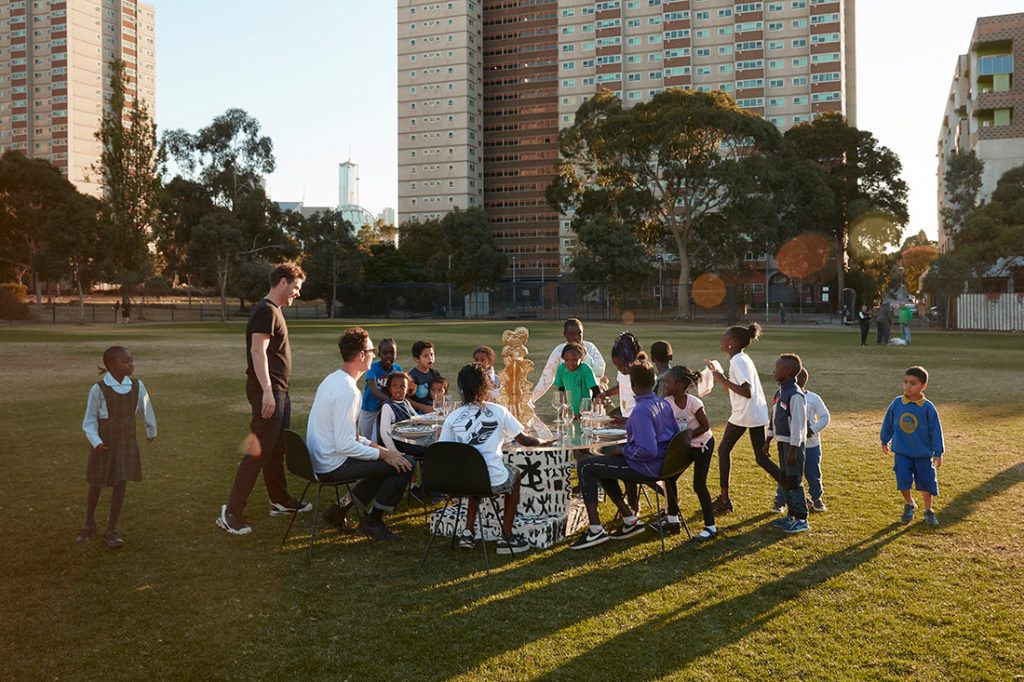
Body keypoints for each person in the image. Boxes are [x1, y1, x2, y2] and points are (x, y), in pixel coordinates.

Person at [217, 262, 310, 536]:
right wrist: (268, 391)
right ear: (282, 282)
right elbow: (257, 352)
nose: (297, 293)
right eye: (296, 287)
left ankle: (279, 500)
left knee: (277, 448)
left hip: (279, 391)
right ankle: (231, 512)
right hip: (268, 393)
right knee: (258, 451)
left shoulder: (275, 311)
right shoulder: (266, 311)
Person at [308, 328, 415, 542]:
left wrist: (382, 451)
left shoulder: (333, 380)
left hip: (321, 458)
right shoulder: (348, 391)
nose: (374, 355)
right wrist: (386, 456)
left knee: (387, 464)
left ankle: (338, 510)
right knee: (405, 464)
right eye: (372, 350)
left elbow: (352, 437)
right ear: (361, 355)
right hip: (331, 463)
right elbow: (346, 444)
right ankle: (372, 521)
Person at [571, 353, 682, 550]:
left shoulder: (641, 410)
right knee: (599, 462)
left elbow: (647, 449)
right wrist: (628, 426)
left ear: (632, 385)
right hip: (665, 464)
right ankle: (629, 519)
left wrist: (624, 451)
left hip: (647, 466)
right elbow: (670, 434)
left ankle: (595, 530)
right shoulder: (661, 403)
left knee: (585, 465)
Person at [440, 363, 551, 554]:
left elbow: (444, 450)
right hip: (490, 480)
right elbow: (524, 440)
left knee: (474, 471)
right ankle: (506, 537)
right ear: (486, 386)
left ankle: (468, 531)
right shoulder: (499, 411)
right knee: (514, 475)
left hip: (461, 482)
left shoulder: (453, 417)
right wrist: (543, 441)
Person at [78, 346, 157, 548]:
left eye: (131, 360)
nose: (131, 364)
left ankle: (111, 530)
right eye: (126, 361)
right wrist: (96, 442)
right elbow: (89, 421)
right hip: (103, 445)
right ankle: (89, 523)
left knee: (121, 483)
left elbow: (146, 408)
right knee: (96, 483)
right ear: (112, 365)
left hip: (126, 444)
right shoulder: (99, 389)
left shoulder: (138, 386)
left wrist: (151, 430)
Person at [704, 323, 777, 514]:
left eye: (724, 337)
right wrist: (717, 374)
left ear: (732, 343)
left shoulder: (738, 361)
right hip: (753, 413)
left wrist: (721, 379)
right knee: (761, 459)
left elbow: (747, 391)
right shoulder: (741, 358)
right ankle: (797, 490)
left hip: (745, 414)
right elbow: (740, 388)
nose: (721, 340)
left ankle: (725, 500)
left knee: (723, 450)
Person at [880, 366, 944, 526]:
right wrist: (884, 439)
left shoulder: (928, 407)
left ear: (923, 386)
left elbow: (936, 431)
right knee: (902, 479)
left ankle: (928, 510)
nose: (907, 386)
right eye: (905, 382)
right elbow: (888, 422)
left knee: (927, 482)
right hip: (902, 452)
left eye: (913, 383)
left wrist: (938, 452)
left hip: (923, 454)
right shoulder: (897, 403)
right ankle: (909, 503)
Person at [662, 366, 717, 540]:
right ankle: (672, 519)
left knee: (699, 485)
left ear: (679, 385)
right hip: (685, 445)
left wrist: (687, 436)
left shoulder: (694, 403)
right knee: (669, 478)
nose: (664, 384)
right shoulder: (668, 401)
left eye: (668, 381)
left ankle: (711, 527)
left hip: (702, 444)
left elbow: (705, 426)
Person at [772, 367, 830, 513]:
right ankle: (780, 500)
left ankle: (817, 499)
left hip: (811, 445)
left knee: (813, 473)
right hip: (791, 444)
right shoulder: (783, 395)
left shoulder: (813, 398)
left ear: (801, 380)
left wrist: (813, 429)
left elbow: (825, 416)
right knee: (787, 474)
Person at [763, 354, 810, 533]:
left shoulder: (796, 395)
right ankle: (791, 515)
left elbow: (798, 425)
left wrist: (793, 450)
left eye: (777, 368)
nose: (774, 370)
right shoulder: (780, 392)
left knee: (794, 480)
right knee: (785, 480)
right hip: (782, 443)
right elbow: (774, 418)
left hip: (793, 446)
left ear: (788, 371)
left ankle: (801, 518)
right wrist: (768, 439)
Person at [531, 318, 607, 403]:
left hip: (593, 399)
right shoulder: (559, 352)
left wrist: (584, 354)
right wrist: (531, 400)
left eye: (579, 334)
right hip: (571, 401)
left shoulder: (590, 348)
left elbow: (600, 372)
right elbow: (546, 378)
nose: (577, 338)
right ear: (565, 335)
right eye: (572, 334)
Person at [358, 337, 400, 444]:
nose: (389, 356)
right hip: (369, 409)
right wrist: (390, 401)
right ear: (379, 354)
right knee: (366, 441)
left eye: (392, 352)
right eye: (385, 353)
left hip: (385, 410)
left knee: (382, 439)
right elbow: (373, 389)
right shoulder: (373, 367)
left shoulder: (397, 369)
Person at [597, 331, 642, 417]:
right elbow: (622, 386)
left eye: (623, 367)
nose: (621, 370)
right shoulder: (622, 372)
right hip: (625, 414)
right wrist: (605, 394)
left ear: (633, 360)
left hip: (636, 419)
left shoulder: (641, 374)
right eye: (618, 367)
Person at [553, 341, 600, 416]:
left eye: (574, 360)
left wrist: (590, 409)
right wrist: (563, 409)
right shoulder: (561, 369)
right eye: (567, 360)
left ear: (581, 359)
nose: (570, 363)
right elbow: (561, 389)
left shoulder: (586, 369)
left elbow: (596, 390)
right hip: (569, 411)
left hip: (585, 412)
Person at [408, 340, 441, 413]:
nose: (430, 358)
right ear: (417, 359)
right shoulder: (412, 376)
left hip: (434, 410)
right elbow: (406, 399)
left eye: (432, 354)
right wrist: (424, 408)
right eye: (425, 356)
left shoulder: (435, 374)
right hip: (418, 413)